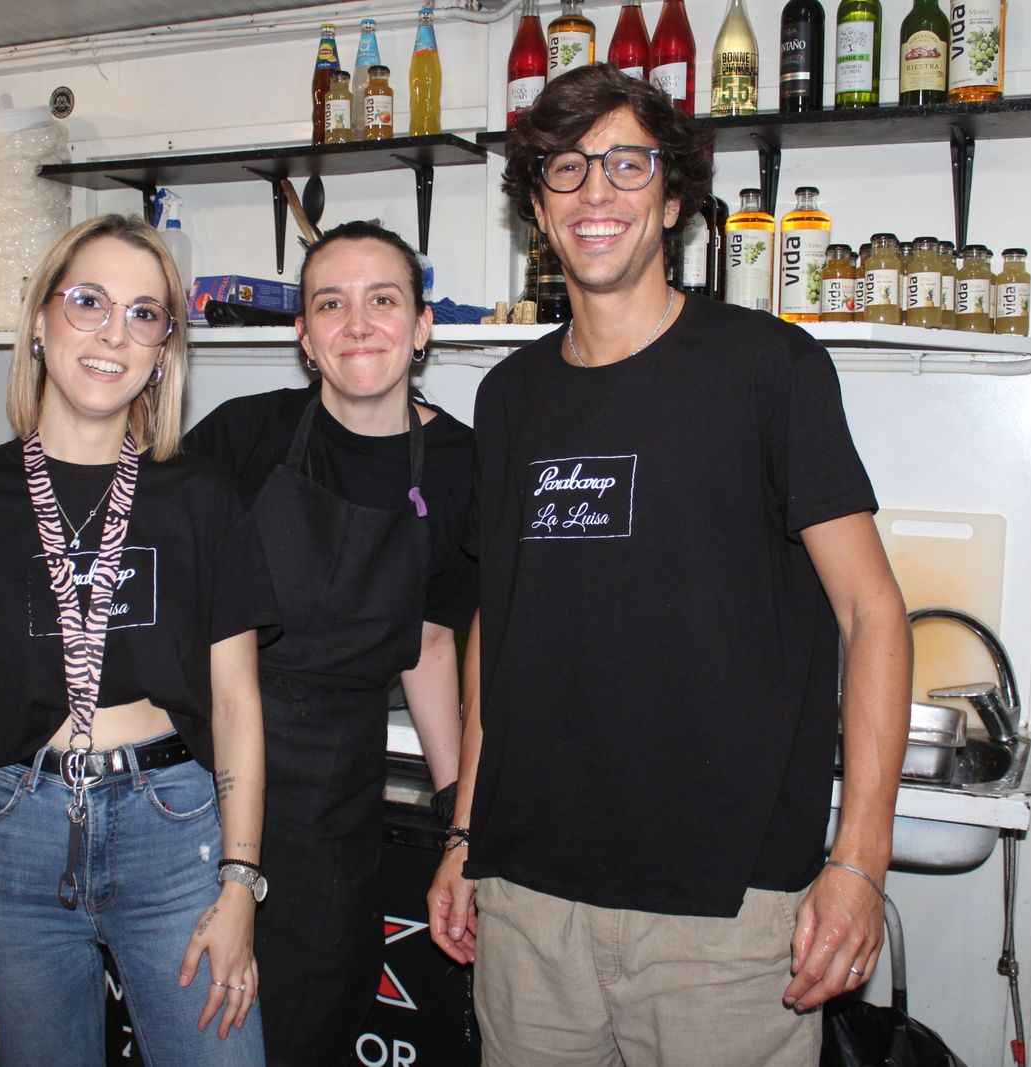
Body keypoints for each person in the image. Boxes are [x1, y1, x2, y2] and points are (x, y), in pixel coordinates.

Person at [427, 65, 913, 1066]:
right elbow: (498, 636)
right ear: (535, 206)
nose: (594, 193)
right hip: (529, 907)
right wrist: (465, 834)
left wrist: (858, 859)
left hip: (724, 916)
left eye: (625, 164)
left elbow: (873, 614)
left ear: (675, 196)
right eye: (565, 168)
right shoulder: (509, 398)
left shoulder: (769, 369)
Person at [0, 213, 276, 1067]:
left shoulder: (203, 502)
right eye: (88, 301)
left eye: (144, 313)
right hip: (10, 835)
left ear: (165, 346)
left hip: (174, 831)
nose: (112, 333)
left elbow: (239, 704)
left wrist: (241, 883)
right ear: (39, 320)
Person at [186, 220, 477, 1067]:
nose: (358, 323)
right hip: (207, 780)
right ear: (304, 336)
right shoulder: (243, 438)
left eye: (382, 300)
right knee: (196, 1023)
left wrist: (460, 817)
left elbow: (428, 641)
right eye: (331, 303)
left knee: (308, 1023)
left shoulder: (459, 463)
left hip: (333, 800)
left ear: (421, 327)